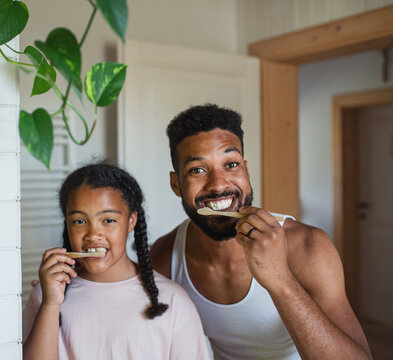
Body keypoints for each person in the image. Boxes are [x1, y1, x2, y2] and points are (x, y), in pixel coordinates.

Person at [150, 104, 371, 360]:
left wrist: (281, 280)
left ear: (246, 170)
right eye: (198, 170)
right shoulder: (166, 256)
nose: (219, 184)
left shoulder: (308, 246)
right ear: (176, 184)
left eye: (230, 164)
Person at [22, 163, 211, 360]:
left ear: (131, 221)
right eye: (79, 221)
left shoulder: (173, 301)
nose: (93, 235)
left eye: (108, 220)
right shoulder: (46, 296)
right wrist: (51, 304)